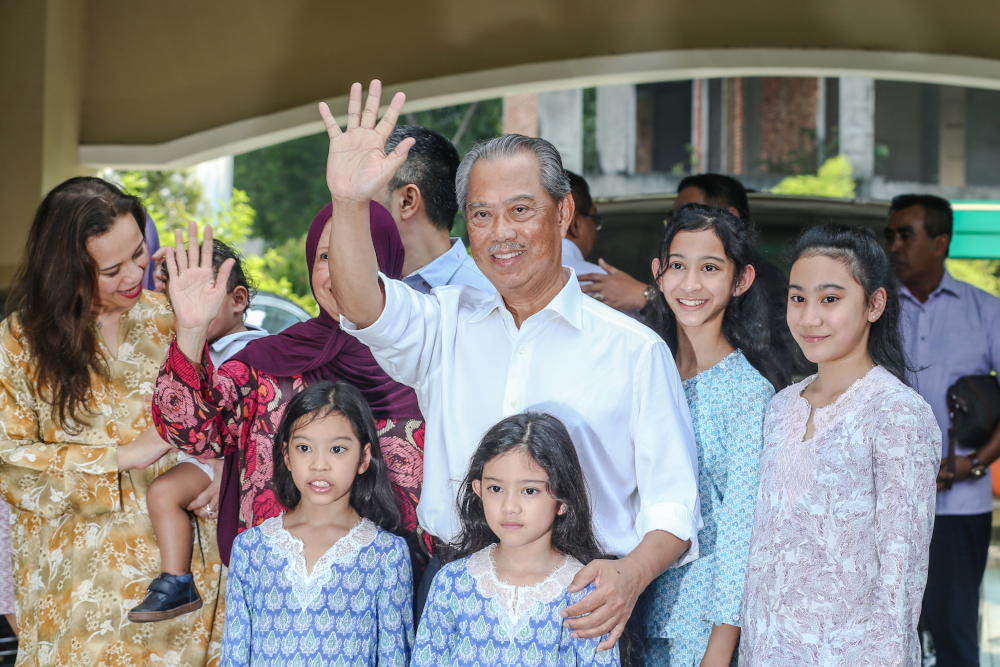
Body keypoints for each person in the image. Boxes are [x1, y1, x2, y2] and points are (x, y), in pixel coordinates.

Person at [319, 80, 700, 649]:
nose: (501, 234)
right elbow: (361, 302)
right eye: (481, 215)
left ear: (564, 211)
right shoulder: (442, 321)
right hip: (456, 592)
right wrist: (350, 203)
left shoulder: (633, 349)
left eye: (521, 210)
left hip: (585, 602)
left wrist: (630, 576)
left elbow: (673, 501)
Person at [0, 177, 223, 665]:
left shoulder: (170, 317)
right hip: (75, 589)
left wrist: (193, 330)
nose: (133, 276)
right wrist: (124, 455)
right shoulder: (20, 341)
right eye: (111, 269)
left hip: (176, 591)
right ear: (65, 270)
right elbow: (10, 464)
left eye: (139, 254)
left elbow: (213, 427)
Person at [152, 202, 426, 578]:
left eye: (361, 253)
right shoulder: (266, 364)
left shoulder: (428, 362)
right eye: (327, 256)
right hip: (278, 594)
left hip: (398, 595)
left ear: (391, 264)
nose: (344, 271)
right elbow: (194, 435)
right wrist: (191, 332)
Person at [740, 223, 940, 665]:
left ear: (874, 304)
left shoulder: (896, 414)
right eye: (798, 298)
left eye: (830, 299)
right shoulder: (780, 408)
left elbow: (901, 577)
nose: (810, 317)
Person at [641, 204, 776, 665]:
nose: (691, 284)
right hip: (626, 608)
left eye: (711, 268)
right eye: (678, 266)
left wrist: (719, 650)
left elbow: (741, 533)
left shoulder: (748, 394)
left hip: (697, 630)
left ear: (741, 280)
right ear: (658, 274)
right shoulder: (643, 370)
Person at [221, 381, 413, 666]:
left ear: (363, 457)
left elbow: (394, 658)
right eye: (304, 448)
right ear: (286, 455)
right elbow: (234, 655)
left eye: (337, 449)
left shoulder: (388, 554)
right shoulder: (251, 548)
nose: (319, 464)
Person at [885, 194, 1000, 666]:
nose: (893, 245)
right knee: (888, 633)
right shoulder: (875, 308)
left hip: (959, 508)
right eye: (888, 235)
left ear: (939, 243)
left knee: (953, 637)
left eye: (905, 235)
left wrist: (972, 464)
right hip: (884, 502)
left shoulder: (985, 311)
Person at [130, 240, 267, 622]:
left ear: (238, 300)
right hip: (204, 455)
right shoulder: (199, 347)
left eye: (205, 295)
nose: (190, 309)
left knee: (163, 492)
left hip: (229, 458)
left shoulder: (255, 350)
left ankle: (176, 579)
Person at [413, 412, 619, 666]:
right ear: (478, 490)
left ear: (562, 500)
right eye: (496, 489)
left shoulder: (585, 592)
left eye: (529, 491)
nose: (510, 506)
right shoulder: (451, 583)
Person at [382, 125, 493, 293]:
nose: (356, 205)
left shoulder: (493, 299)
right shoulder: (364, 294)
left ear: (407, 201)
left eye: (367, 191)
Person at [562, 171, 605, 281]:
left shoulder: (516, 279)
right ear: (576, 223)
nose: (595, 234)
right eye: (594, 219)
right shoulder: (601, 282)